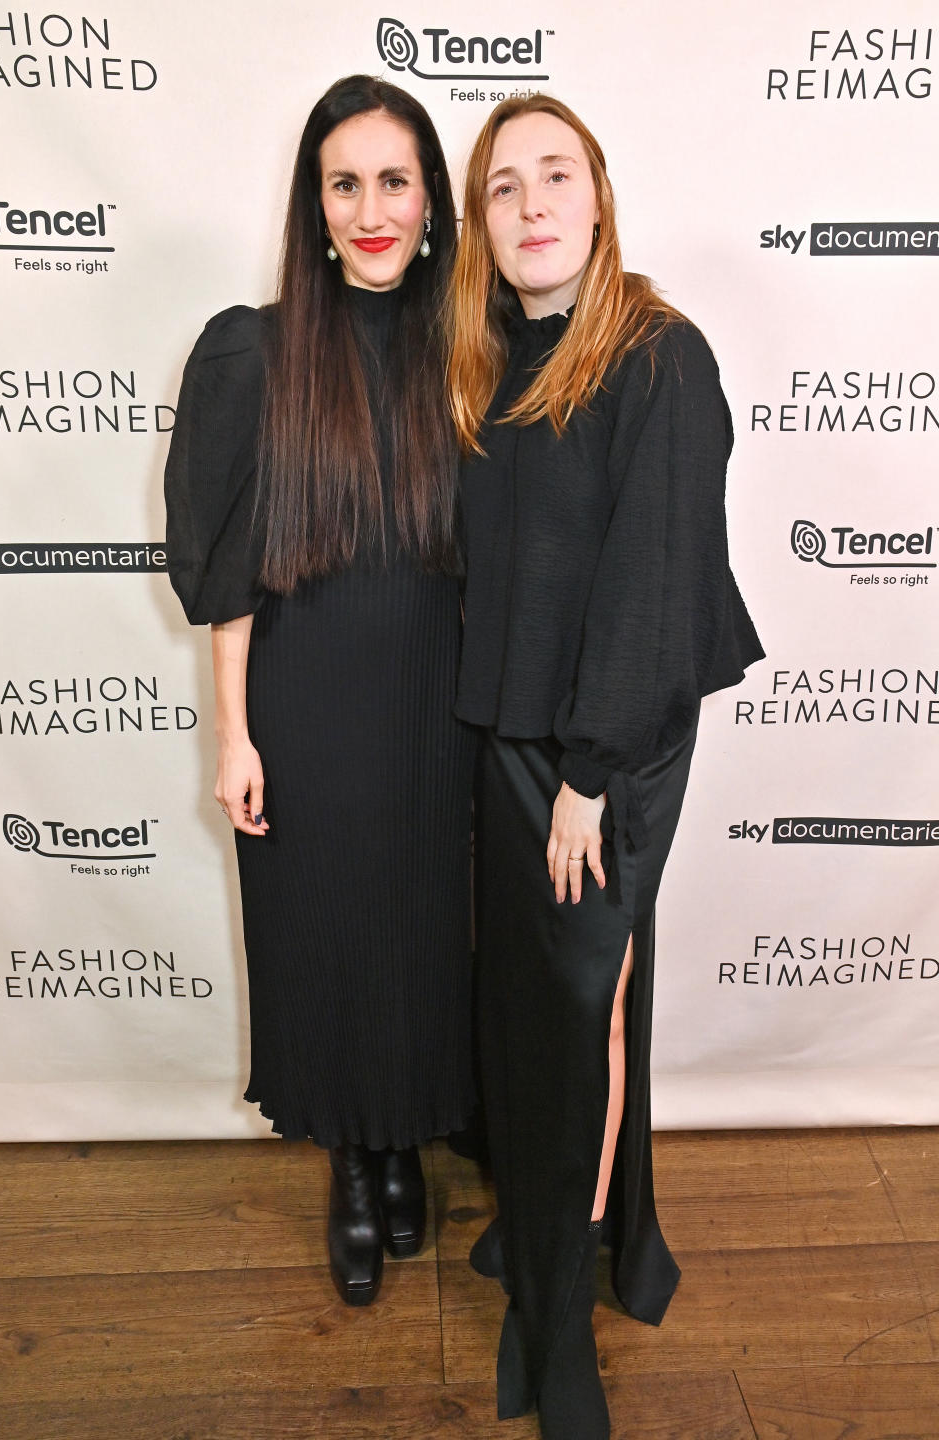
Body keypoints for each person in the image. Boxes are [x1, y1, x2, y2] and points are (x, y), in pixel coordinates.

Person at [448, 95, 764, 1437]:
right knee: (530, 1009)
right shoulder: (488, 358)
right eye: (504, 186)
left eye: (554, 176)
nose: (530, 205)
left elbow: (651, 579)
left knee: (584, 1011)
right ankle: (572, 1230)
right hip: (501, 734)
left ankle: (559, 1312)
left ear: (599, 192)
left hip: (602, 755)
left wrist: (588, 772)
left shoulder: (657, 356)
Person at [164, 74, 476, 1308]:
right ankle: (353, 1164)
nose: (371, 209)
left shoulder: (473, 342)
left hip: (440, 706)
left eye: (394, 181)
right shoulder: (257, 348)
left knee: (417, 939)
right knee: (323, 940)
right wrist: (234, 734)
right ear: (315, 203)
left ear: (432, 199)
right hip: (304, 699)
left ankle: (407, 1146)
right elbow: (231, 569)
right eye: (344, 184)